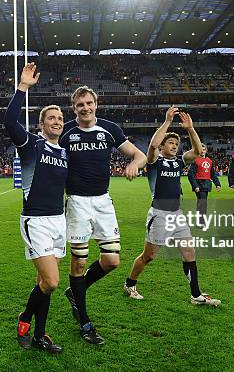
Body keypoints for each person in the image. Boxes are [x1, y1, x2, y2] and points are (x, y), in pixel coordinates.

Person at [59, 85, 147, 345]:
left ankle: (76, 291)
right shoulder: (65, 132)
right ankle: (85, 323)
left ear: (96, 103)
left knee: (111, 261)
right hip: (76, 202)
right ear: (73, 108)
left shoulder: (109, 129)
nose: (85, 108)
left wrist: (133, 163)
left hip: (103, 203)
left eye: (89, 103)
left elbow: (139, 155)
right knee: (79, 263)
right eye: (79, 105)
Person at [124, 107, 220, 306]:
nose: (175, 146)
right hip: (158, 214)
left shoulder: (179, 162)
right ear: (163, 146)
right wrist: (167, 123)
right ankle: (129, 283)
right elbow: (152, 146)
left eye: (177, 143)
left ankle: (196, 295)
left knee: (189, 253)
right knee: (149, 256)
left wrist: (191, 129)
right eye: (171, 143)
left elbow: (197, 151)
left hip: (177, 214)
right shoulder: (154, 162)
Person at [4, 63, 66, 354]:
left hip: (59, 220)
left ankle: (39, 336)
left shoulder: (64, 152)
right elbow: (9, 122)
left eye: (60, 118)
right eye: (51, 118)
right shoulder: (31, 144)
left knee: (43, 281)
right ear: (41, 124)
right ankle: (25, 318)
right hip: (36, 221)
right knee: (52, 281)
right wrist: (23, 88)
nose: (57, 121)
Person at [188, 143, 221, 228]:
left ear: (206, 150)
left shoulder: (209, 161)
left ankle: (201, 222)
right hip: (199, 184)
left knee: (203, 203)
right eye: (200, 149)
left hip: (207, 184)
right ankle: (201, 223)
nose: (202, 151)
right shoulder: (195, 160)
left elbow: (213, 174)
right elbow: (191, 174)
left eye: (203, 149)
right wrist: (195, 186)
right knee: (202, 203)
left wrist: (217, 184)